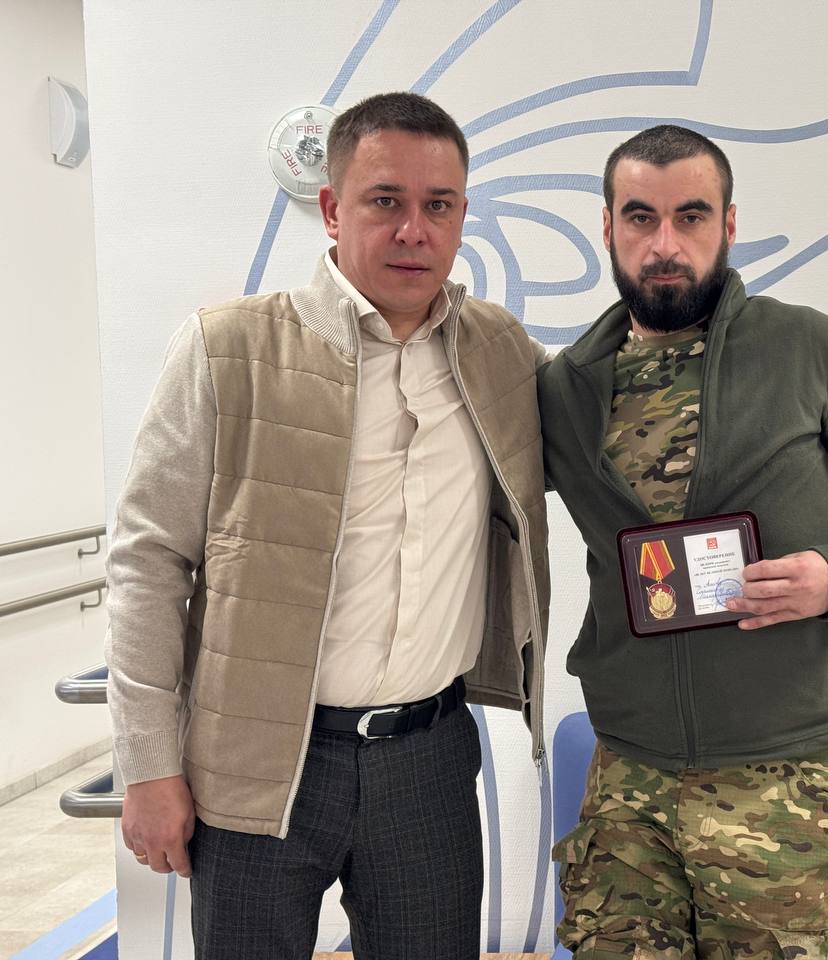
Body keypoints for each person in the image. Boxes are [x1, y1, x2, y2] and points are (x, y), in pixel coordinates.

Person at [104, 92, 549, 959]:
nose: (414, 230)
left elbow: (619, 437)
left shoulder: (501, 353)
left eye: (439, 205)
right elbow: (147, 565)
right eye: (385, 201)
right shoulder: (228, 348)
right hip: (254, 758)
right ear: (333, 210)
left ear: (462, 216)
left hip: (428, 759)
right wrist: (149, 766)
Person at [539, 125, 828, 959]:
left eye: (691, 216)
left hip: (782, 774)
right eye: (641, 217)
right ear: (608, 228)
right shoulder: (564, 386)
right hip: (627, 773)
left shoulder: (810, 347)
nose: (666, 244)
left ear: (729, 224)